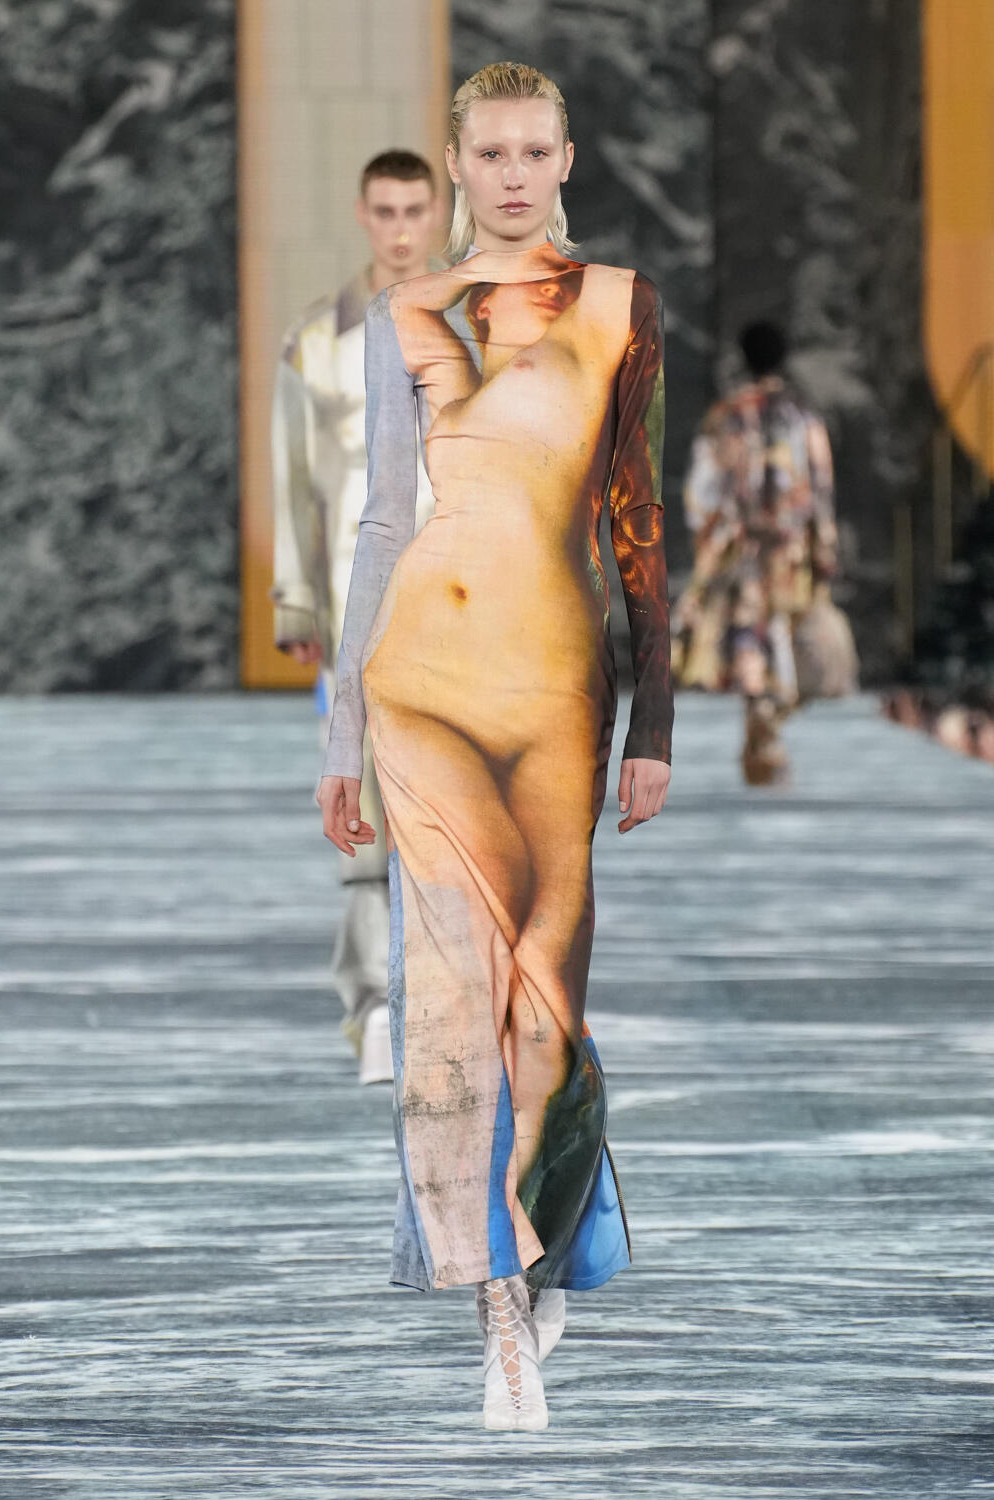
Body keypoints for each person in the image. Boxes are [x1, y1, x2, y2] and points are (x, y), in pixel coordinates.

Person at [317, 63, 672, 1431]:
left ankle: (553, 1244)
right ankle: (499, 1310)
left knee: (544, 1000)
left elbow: (637, 521)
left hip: (558, 696)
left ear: (567, 157)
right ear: (459, 166)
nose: (513, 174)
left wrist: (654, 722)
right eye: (491, 154)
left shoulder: (621, 306)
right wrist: (344, 729)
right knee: (451, 1005)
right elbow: (382, 525)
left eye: (535, 151)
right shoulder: (406, 311)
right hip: (424, 690)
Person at [271, 151, 440, 1084]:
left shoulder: (465, 325)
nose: (402, 230)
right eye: (387, 211)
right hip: (351, 600)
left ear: (435, 211)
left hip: (452, 596)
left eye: (415, 210)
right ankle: (374, 1003)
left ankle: (438, 997)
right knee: (360, 796)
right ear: (363, 214)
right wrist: (295, 596)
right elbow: (293, 474)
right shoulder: (316, 339)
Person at [673, 321, 841, 784]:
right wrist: (824, 543)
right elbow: (821, 484)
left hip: (742, 545)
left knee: (750, 634)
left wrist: (712, 539)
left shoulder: (727, 414)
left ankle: (761, 725)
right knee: (786, 633)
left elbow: (704, 488)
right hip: (791, 548)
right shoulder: (802, 415)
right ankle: (767, 730)